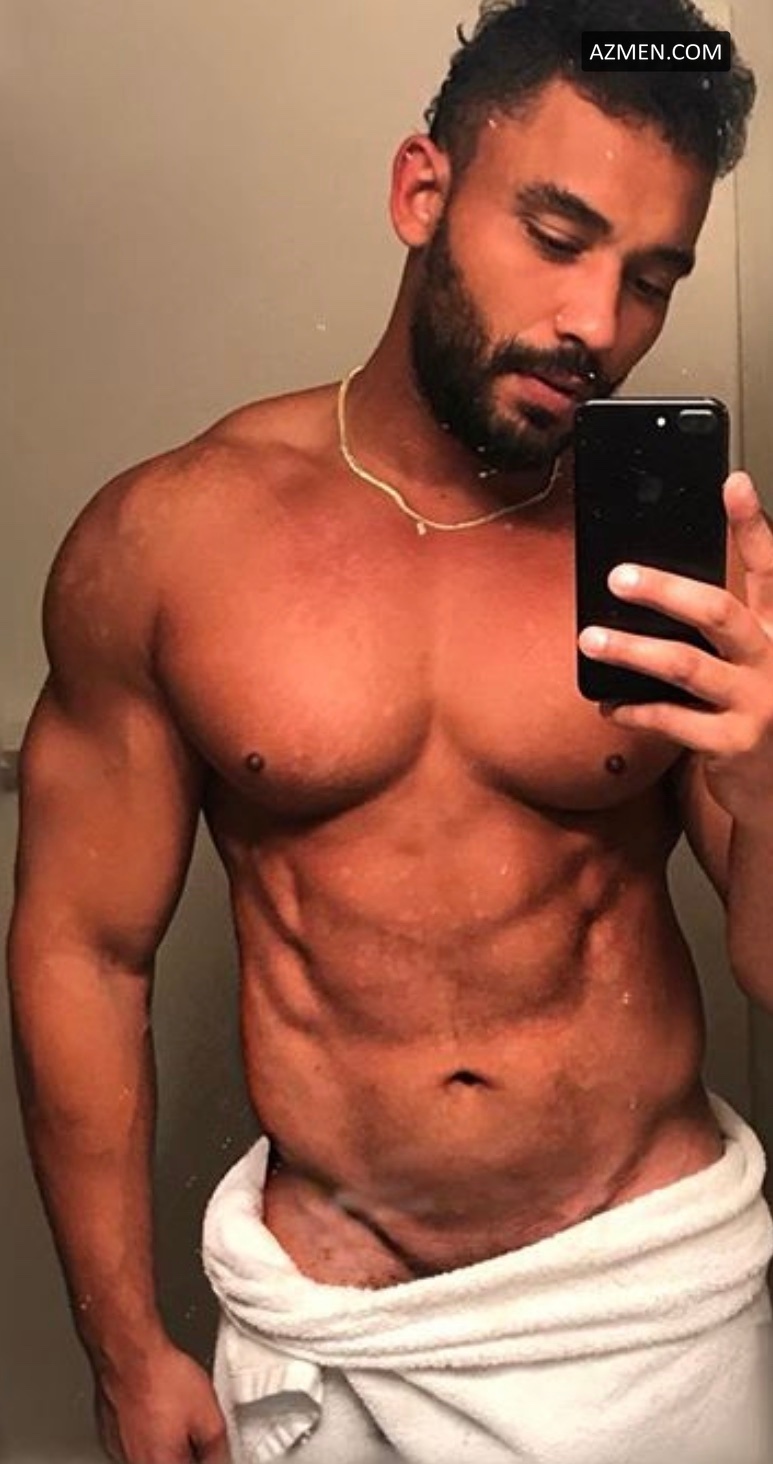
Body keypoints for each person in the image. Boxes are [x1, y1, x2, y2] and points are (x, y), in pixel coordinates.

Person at [7, 0, 772, 1461]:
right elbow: (81, 957)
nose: (595, 324)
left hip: (650, 1306)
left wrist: (772, 776)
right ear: (423, 189)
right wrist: (124, 1347)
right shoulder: (172, 541)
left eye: (650, 279)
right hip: (331, 1324)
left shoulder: (691, 571)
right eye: (555, 237)